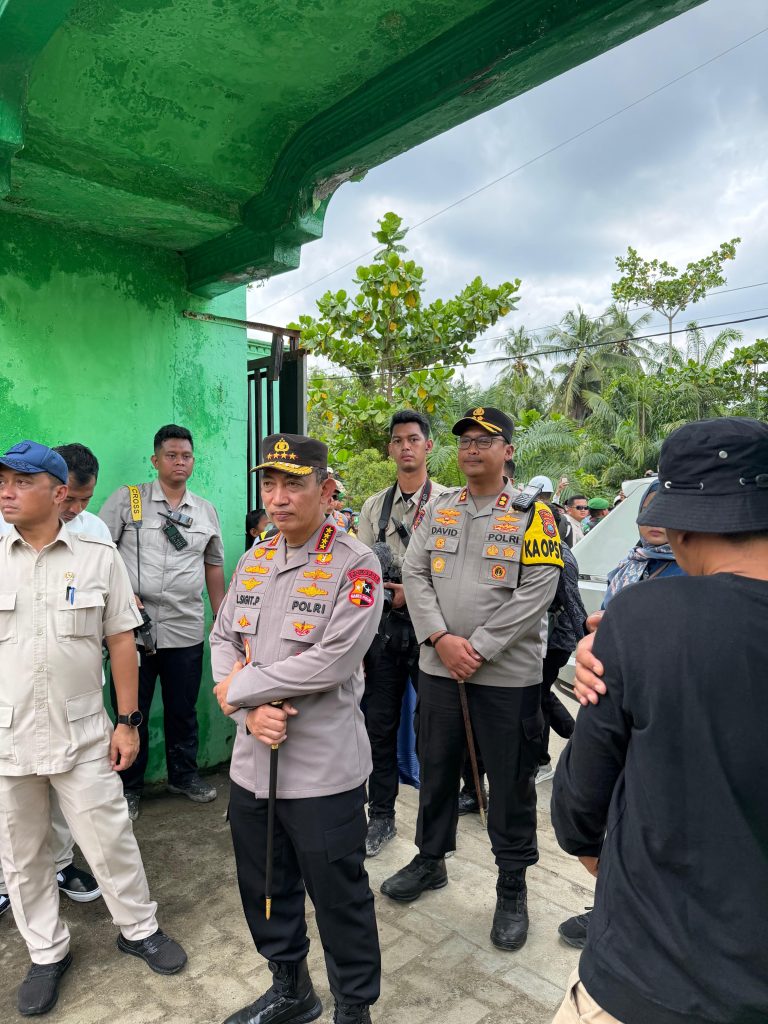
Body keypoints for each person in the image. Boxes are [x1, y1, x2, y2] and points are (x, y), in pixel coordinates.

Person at [550, 416, 768, 1024]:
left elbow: (578, 805)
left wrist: (603, 860)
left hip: (646, 974)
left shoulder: (643, 617)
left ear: (680, 528)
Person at [0, 441, 187, 1017]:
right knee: (22, 855)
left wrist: (128, 723)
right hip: (7, 736)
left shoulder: (97, 553)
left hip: (83, 732)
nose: (7, 491)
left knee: (109, 837)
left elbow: (122, 642)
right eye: (2, 481)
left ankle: (139, 928)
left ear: (58, 492)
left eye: (21, 481)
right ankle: (46, 952)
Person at [210, 433, 383, 1024]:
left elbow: (332, 661)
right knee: (265, 884)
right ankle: (291, 989)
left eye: (294, 484)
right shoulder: (255, 558)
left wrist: (241, 690)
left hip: (322, 770)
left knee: (339, 895)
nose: (278, 498)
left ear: (326, 489)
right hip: (252, 762)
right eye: (269, 484)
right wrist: (244, 711)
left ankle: (353, 1005)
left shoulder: (356, 564)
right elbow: (223, 638)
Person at [380, 406, 563, 952]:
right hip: (439, 667)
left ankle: (512, 885)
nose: (472, 449)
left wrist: (478, 647)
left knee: (509, 781)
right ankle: (430, 859)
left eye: (485, 440)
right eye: (465, 441)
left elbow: (539, 590)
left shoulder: (535, 515)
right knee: (436, 767)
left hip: (506, 676)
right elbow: (414, 571)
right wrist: (440, 638)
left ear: (508, 450)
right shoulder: (440, 508)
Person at [557, 478, 685, 946]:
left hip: (656, 713)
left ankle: (625, 914)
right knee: (615, 811)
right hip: (612, 700)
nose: (654, 521)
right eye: (647, 511)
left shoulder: (689, 573)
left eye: (665, 512)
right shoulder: (632, 563)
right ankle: (610, 904)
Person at [0, 443, 110, 914]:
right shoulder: (7, 525)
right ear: (56, 489)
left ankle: (62, 863)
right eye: (72, 498)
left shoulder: (94, 533)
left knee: (64, 779)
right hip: (11, 694)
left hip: (69, 690)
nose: (76, 508)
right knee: (12, 805)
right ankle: (8, 879)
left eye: (85, 499)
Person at [99, 424, 225, 819]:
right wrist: (120, 595)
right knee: (131, 711)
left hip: (185, 626)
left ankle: (183, 776)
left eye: (186, 456)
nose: (179, 462)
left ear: (193, 461)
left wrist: (221, 617)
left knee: (183, 708)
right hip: (133, 630)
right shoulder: (130, 500)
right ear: (156, 460)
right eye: (171, 455)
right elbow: (100, 553)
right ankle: (129, 786)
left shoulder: (205, 510)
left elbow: (213, 564)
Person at [356, 410, 447, 857]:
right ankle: (382, 817)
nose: (406, 446)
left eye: (414, 439)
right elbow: (360, 573)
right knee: (379, 727)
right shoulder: (375, 507)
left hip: (433, 632)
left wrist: (414, 594)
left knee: (433, 732)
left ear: (428, 446)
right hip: (384, 632)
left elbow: (455, 572)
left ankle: (434, 833)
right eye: (398, 440)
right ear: (390, 448)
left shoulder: (449, 503)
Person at [535, 506, 586, 784]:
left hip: (555, 641)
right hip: (541, 638)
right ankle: (579, 738)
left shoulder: (560, 555)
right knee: (541, 694)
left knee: (539, 697)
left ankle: (541, 762)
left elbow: (574, 603)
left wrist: (586, 642)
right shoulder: (536, 549)